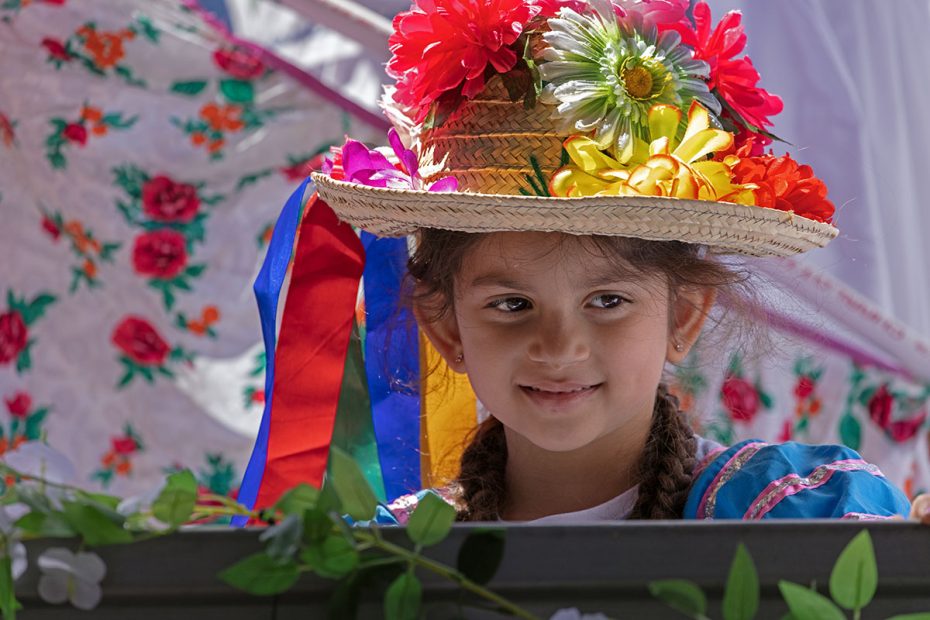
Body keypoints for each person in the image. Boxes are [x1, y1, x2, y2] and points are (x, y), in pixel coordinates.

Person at [241, 0, 920, 524]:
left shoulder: (790, 518)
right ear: (445, 328)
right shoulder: (405, 558)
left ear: (682, 314)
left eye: (607, 302)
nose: (559, 346)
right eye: (511, 305)